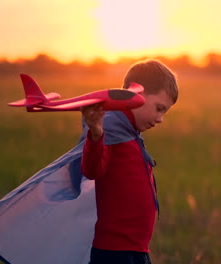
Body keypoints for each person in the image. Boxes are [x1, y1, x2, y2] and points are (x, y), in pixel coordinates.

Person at [80, 59, 178, 264]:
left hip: (136, 250)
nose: (160, 119)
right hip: (114, 253)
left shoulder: (129, 134)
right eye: (159, 108)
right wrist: (96, 135)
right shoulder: (109, 129)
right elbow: (92, 170)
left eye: (165, 112)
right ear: (137, 97)